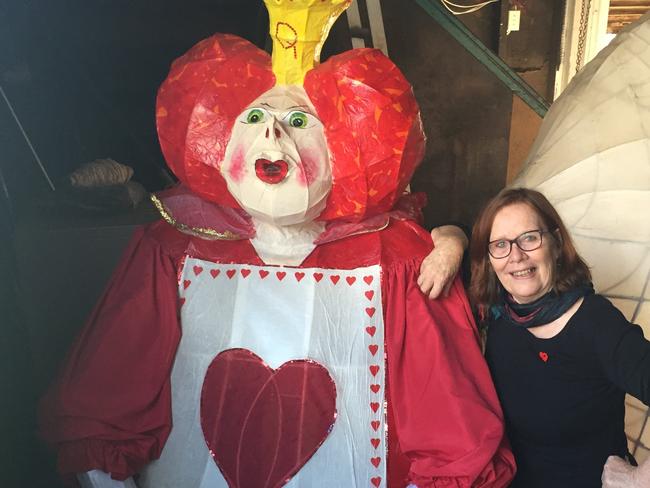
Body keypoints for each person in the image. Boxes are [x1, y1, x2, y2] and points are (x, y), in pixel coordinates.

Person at [464, 187, 650, 487]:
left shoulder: (595, 322)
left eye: (529, 238)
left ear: (556, 243)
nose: (516, 256)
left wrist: (638, 479)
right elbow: (453, 231)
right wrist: (447, 243)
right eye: (500, 244)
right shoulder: (501, 314)